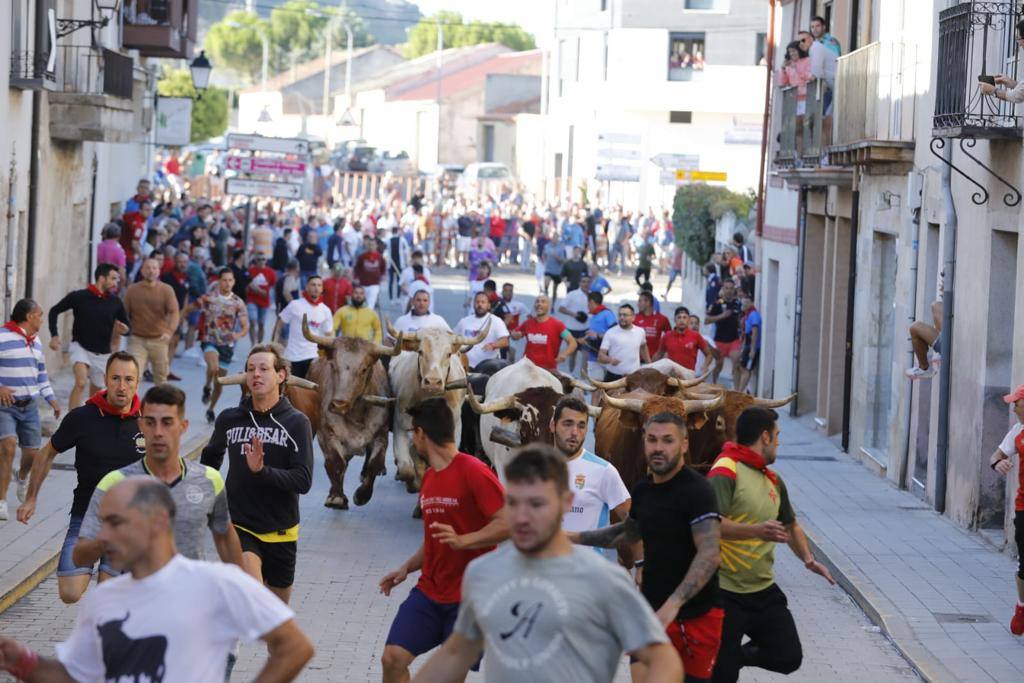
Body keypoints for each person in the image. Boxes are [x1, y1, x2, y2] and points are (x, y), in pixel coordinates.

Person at [0, 476, 314, 682]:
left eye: (116, 523)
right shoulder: (103, 599)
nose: (104, 536)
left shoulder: (217, 583)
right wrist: (24, 661)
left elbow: (295, 647)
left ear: (157, 522)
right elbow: (76, 676)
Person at [413, 445, 681, 683]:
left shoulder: (603, 579)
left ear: (566, 502)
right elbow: (456, 652)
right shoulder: (483, 573)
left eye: (536, 504)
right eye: (513, 503)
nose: (522, 517)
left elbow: (662, 659)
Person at [572, 411, 724, 683]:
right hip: (650, 615)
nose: (658, 448)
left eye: (668, 440)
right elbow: (626, 533)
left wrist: (673, 605)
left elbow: (710, 554)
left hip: (695, 617)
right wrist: (570, 538)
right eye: (652, 440)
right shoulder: (643, 490)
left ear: (684, 444)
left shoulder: (698, 491)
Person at [379, 398, 508, 683]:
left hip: (470, 599)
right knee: (392, 659)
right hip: (429, 592)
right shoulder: (430, 478)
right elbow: (435, 537)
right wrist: (406, 568)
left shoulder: (474, 470)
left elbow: (508, 522)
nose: (413, 439)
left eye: (413, 432)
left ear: (422, 433)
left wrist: (465, 541)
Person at [708, 407, 835, 682]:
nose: (779, 441)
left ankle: (734, 658)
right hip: (724, 591)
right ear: (764, 437)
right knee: (722, 677)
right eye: (777, 435)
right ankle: (725, 662)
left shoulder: (773, 480)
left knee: (788, 656)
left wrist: (808, 559)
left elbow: (790, 524)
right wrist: (756, 530)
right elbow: (710, 525)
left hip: (762, 590)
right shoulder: (725, 470)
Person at [73, 384, 245, 573]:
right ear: (141, 425)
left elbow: (224, 536)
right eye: (150, 422)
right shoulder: (116, 483)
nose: (158, 432)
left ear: (183, 426)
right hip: (139, 599)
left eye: (167, 422)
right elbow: (79, 557)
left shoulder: (209, 479)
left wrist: (242, 588)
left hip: (190, 599)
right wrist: (112, 533)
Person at [16, 352, 143, 604]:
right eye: (115, 378)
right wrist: (31, 498)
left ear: (137, 383)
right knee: (70, 593)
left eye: (129, 379)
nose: (122, 386)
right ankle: (93, 565)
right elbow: (46, 454)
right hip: (86, 518)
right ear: (105, 379)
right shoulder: (83, 417)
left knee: (108, 599)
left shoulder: (147, 422)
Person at [201, 344, 315, 604]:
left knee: (274, 622)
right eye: (251, 369)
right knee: (252, 595)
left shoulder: (297, 423)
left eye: (264, 368)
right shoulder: (229, 419)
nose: (256, 374)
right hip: (240, 523)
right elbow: (211, 458)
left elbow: (303, 480)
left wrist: (262, 472)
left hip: (281, 530)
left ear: (281, 375)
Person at [0, 299, 61, 521]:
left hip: (30, 407)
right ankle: (2, 502)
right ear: (29, 317)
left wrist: (52, 400)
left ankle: (22, 475)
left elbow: (42, 376)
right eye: (40, 314)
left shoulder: (35, 343)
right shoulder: (2, 336)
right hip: (5, 406)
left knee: (33, 454)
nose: (42, 319)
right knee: (7, 447)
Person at [549, 396, 633, 553]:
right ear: (553, 425)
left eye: (581, 426)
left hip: (587, 571)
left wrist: (640, 564)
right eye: (567, 424)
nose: (574, 432)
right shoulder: (533, 467)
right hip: (541, 571)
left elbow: (633, 522)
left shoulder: (604, 471)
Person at [48, 264, 131, 410]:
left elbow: (128, 327)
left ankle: (89, 423)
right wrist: (54, 335)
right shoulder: (79, 297)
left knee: (97, 395)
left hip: (103, 353)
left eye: (117, 280)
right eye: (113, 279)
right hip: (80, 347)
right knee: (80, 382)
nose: (116, 283)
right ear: (101, 278)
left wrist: (124, 330)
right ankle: (71, 421)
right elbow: (54, 311)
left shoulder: (115, 302)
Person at [989, 384, 1024, 635]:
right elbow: (995, 456)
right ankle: (1022, 607)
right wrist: (998, 463)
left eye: (1016, 403)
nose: (1012, 408)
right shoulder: (1017, 432)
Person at [195, 268, 249, 423]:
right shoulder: (209, 298)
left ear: (234, 282)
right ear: (219, 281)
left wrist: (237, 335)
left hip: (227, 344)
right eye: (224, 280)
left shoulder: (238, 302)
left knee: (219, 381)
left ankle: (211, 408)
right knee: (213, 367)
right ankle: (206, 386)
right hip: (209, 340)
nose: (227, 283)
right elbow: (192, 307)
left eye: (230, 280)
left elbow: (245, 326)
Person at [124, 257, 180, 385]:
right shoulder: (132, 290)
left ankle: (159, 404)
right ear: (142, 271)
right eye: (148, 268)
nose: (151, 271)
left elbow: (174, 312)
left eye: (154, 268)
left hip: (159, 339)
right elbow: (124, 313)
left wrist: (169, 331)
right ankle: (133, 405)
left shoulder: (166, 290)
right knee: (132, 376)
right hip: (137, 339)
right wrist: (123, 329)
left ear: (159, 271)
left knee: (161, 377)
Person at [273, 275, 333, 379]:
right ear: (307, 287)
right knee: (290, 392)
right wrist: (273, 346)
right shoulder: (295, 305)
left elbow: (329, 335)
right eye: (313, 284)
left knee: (309, 392)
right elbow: (279, 325)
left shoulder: (326, 310)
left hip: (313, 358)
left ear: (322, 289)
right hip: (292, 357)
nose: (316, 288)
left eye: (319, 285)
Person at [510, 294, 577, 372]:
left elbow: (573, 342)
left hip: (548, 370)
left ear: (548, 306)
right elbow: (515, 334)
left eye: (543, 302)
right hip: (527, 368)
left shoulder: (558, 325)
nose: (539, 304)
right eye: (537, 301)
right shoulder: (528, 323)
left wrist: (565, 354)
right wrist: (514, 335)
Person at [454, 292, 510, 370]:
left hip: (487, 368)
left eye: (483, 302)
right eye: (477, 302)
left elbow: (505, 341)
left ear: (488, 305)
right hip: (465, 367)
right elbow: (454, 338)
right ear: (473, 304)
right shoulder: (464, 321)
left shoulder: (496, 321)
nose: (480, 305)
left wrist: (493, 345)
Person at [599, 303, 650, 382]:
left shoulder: (640, 332)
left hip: (633, 377)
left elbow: (643, 347)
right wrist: (610, 360)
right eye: (620, 315)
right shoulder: (610, 333)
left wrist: (650, 365)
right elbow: (600, 356)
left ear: (633, 317)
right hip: (613, 377)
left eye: (625, 315)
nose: (622, 317)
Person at [706, 280, 743, 387]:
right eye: (726, 288)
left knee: (736, 363)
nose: (729, 291)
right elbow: (707, 320)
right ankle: (714, 384)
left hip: (734, 340)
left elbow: (742, 319)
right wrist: (722, 316)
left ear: (734, 290)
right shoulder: (717, 303)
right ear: (723, 289)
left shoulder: (738, 303)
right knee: (718, 366)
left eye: (731, 288)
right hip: (719, 340)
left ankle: (737, 391)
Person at [658, 306, 715, 374]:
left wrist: (705, 366)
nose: (682, 320)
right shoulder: (667, 336)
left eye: (684, 317)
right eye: (679, 317)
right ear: (674, 320)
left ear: (688, 320)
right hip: (671, 375)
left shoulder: (696, 336)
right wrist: (649, 365)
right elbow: (659, 354)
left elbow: (709, 355)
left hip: (689, 376)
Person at [556, 273, 592, 373]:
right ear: (580, 283)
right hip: (572, 330)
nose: (586, 284)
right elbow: (561, 308)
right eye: (583, 282)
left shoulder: (592, 295)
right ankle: (571, 375)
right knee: (573, 355)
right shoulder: (572, 294)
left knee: (585, 356)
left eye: (588, 282)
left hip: (586, 330)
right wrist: (574, 314)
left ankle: (583, 379)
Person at [906, 296, 942, 380]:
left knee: (915, 327)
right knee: (935, 305)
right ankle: (924, 368)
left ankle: (924, 368)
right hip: (942, 339)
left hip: (947, 342)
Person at [246, 253, 277, 345]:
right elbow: (246, 283)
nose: (261, 261)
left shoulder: (271, 272)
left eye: (263, 259)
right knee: (252, 320)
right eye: (259, 259)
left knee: (261, 324)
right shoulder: (250, 271)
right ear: (255, 261)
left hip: (264, 302)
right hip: (251, 300)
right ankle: (253, 344)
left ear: (266, 260)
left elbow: (274, 286)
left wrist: (274, 300)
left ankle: (259, 344)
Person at [636, 291, 672, 360]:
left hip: (655, 360)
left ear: (648, 302)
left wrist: (665, 352)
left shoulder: (662, 319)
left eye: (640, 301)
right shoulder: (634, 318)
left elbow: (670, 337)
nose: (638, 304)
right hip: (637, 360)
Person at [737, 294, 761, 394]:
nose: (744, 304)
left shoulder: (754, 315)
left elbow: (754, 332)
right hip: (747, 345)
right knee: (742, 368)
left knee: (746, 369)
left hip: (751, 346)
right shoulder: (748, 315)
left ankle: (739, 392)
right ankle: (745, 389)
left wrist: (752, 349)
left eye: (747, 302)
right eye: (743, 303)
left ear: (751, 303)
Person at [354, 235, 386, 310]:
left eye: (373, 245)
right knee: (362, 303)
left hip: (374, 284)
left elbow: (383, 268)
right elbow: (357, 267)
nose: (371, 246)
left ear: (376, 246)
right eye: (369, 245)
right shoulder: (362, 256)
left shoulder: (380, 257)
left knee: (370, 304)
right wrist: (356, 277)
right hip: (363, 284)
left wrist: (381, 277)